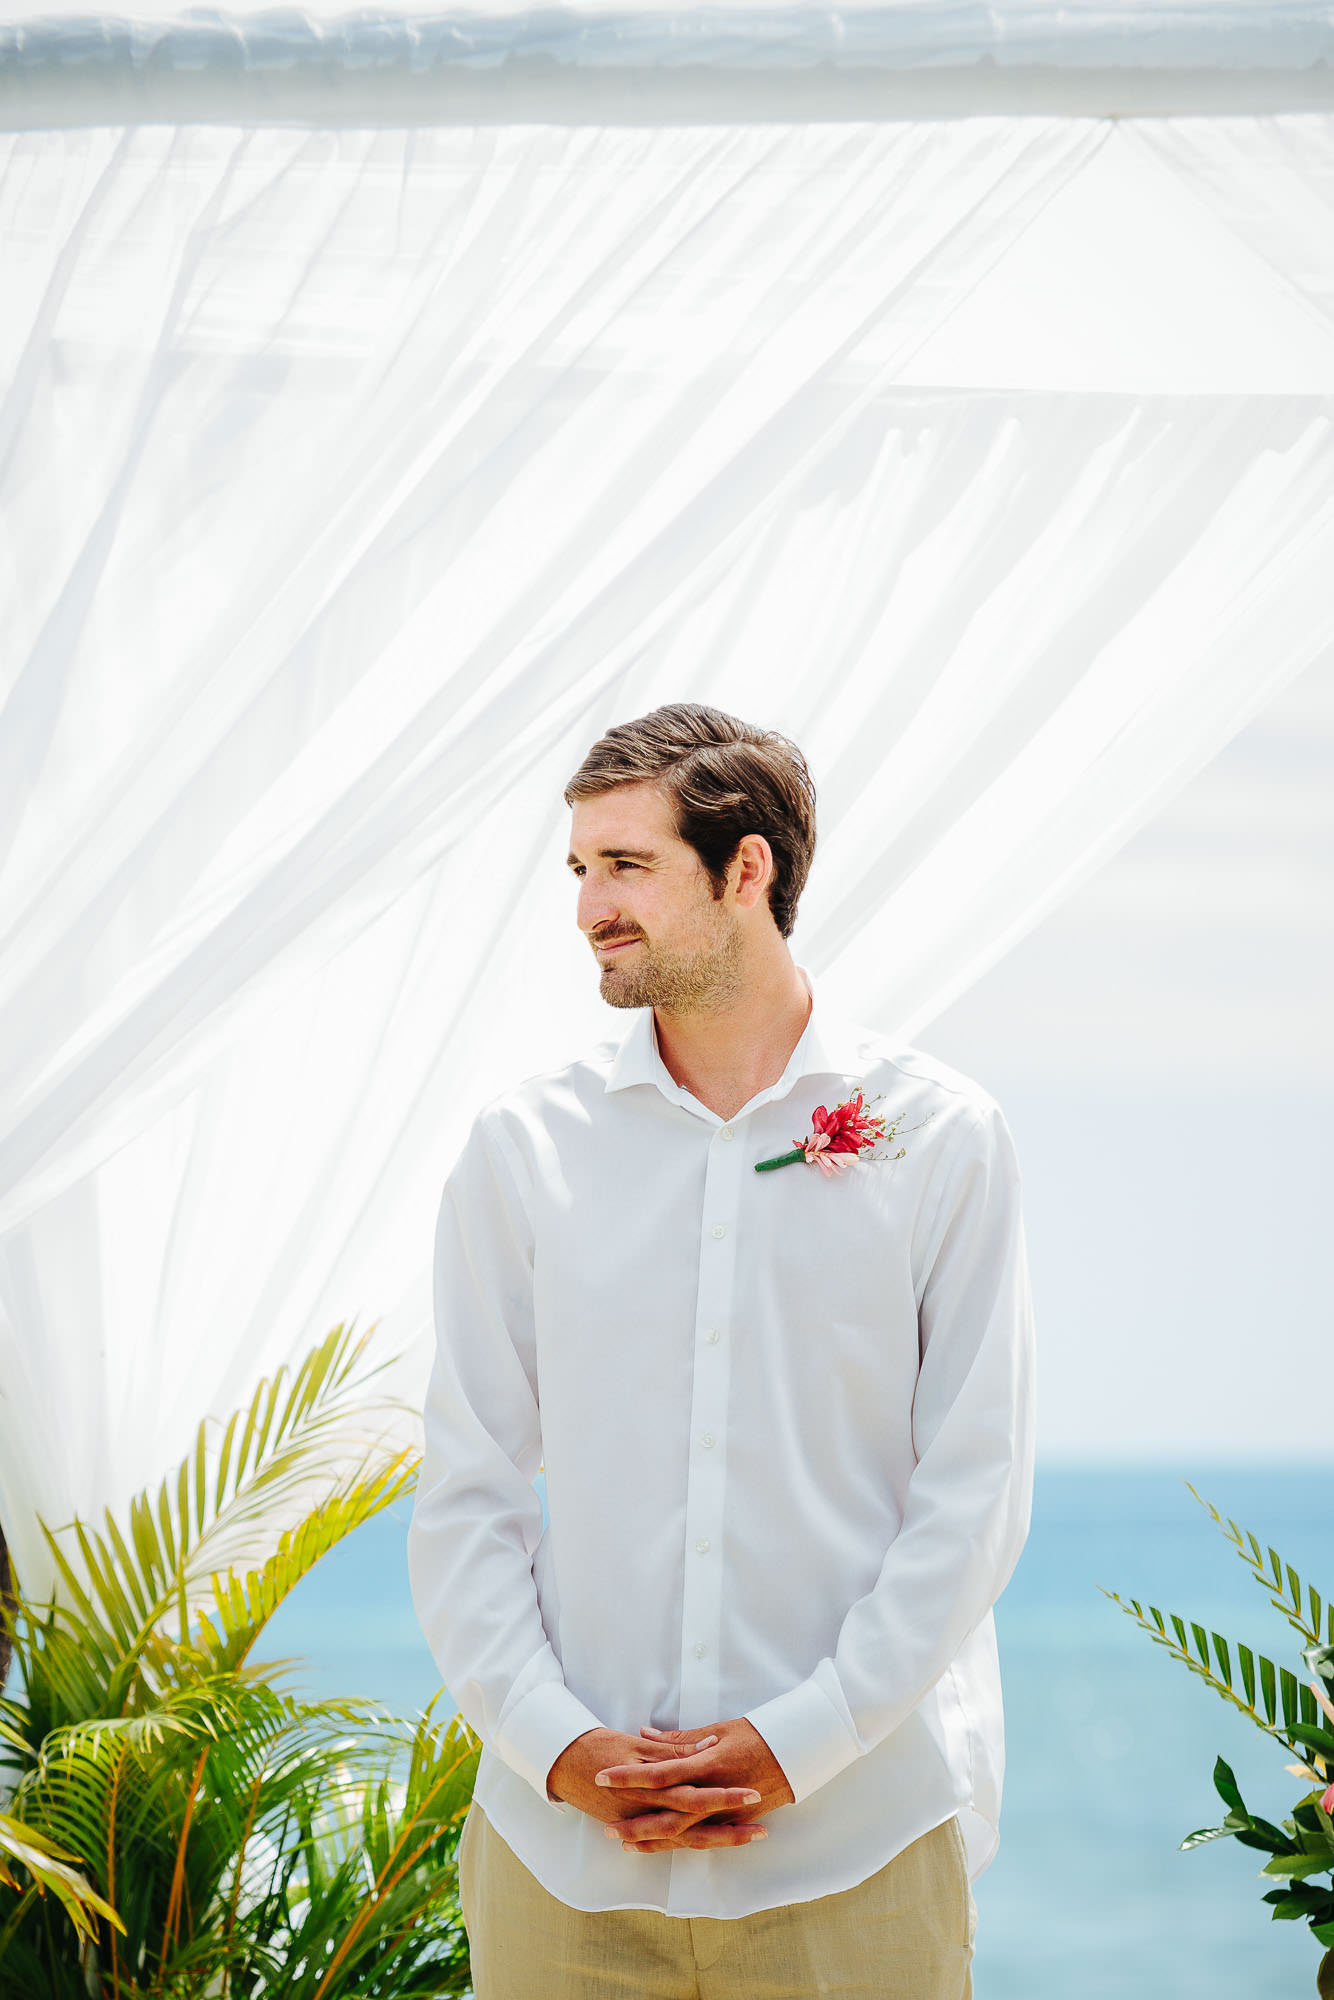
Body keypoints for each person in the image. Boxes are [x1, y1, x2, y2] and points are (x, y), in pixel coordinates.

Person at [407, 701, 1037, 1999]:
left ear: (745, 869)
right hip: (560, 1862)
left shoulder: (941, 1135)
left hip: (851, 1849)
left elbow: (973, 1492)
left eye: (626, 866)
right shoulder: (521, 1148)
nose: (589, 906)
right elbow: (466, 1489)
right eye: (579, 870)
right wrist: (556, 1746)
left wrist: (802, 1742)